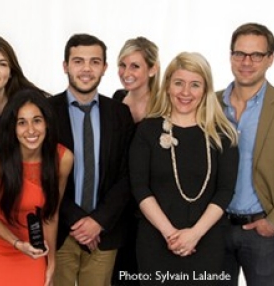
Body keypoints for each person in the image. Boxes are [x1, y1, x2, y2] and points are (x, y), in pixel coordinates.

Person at [129, 52, 239, 285]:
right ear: (168, 85)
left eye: (195, 85)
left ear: (206, 89)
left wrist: (194, 234)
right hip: (156, 241)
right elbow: (140, 187)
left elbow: (225, 191)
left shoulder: (223, 135)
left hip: (206, 242)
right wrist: (171, 234)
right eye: (179, 83)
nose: (185, 92)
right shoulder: (147, 131)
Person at [219, 23, 274, 286]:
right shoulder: (208, 104)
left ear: (270, 59)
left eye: (256, 55)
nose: (246, 62)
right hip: (213, 230)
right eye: (239, 54)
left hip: (263, 233)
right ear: (230, 56)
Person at [48, 33, 134, 286]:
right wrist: (76, 221)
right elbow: (43, 175)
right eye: (78, 61)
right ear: (65, 66)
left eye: (95, 61)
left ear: (105, 67)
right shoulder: (46, 112)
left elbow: (128, 174)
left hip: (105, 234)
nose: (86, 68)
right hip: (61, 232)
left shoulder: (120, 114)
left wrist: (98, 221)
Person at [0, 89, 73, 286]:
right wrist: (17, 243)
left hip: (34, 248)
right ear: (13, 127)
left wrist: (51, 261)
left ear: (46, 122)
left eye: (37, 120)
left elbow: (51, 215)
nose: (31, 130)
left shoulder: (63, 159)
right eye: (22, 122)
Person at [111, 36, 160, 286]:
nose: (126, 72)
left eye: (135, 66)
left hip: (153, 208)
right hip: (120, 210)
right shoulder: (116, 100)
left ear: (152, 69)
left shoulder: (166, 106)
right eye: (122, 64)